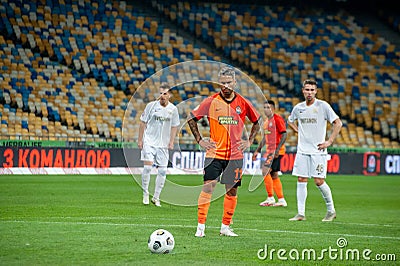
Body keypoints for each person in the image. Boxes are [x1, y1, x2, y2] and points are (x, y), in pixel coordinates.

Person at [187, 66, 261, 237]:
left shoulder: (243, 102)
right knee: (208, 186)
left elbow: (257, 121)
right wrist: (200, 140)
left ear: (235, 82)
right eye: (222, 83)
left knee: (232, 190)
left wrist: (249, 141)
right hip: (214, 153)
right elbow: (191, 118)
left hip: (235, 155)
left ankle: (225, 227)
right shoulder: (211, 101)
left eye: (229, 82)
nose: (225, 86)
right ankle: (200, 227)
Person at [287, 79, 342, 222]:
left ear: (316, 91)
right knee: (301, 179)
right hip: (302, 150)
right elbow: (290, 120)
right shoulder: (298, 108)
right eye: (307, 89)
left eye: (312, 90)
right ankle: (300, 214)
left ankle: (331, 211)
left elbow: (338, 123)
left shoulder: (323, 106)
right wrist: (298, 131)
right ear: (303, 91)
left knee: (318, 181)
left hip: (318, 151)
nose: (309, 92)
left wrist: (329, 141)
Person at [138, 82, 180, 207]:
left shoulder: (173, 109)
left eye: (165, 93)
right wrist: (140, 140)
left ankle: (156, 197)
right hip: (149, 141)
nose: (162, 96)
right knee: (147, 168)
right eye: (160, 93)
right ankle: (145, 194)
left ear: (169, 95)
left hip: (163, 144)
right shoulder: (151, 106)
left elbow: (174, 126)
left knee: (162, 171)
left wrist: (171, 141)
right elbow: (142, 123)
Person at [252, 100, 287, 207]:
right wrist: (257, 150)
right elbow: (265, 138)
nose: (266, 109)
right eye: (265, 107)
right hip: (269, 151)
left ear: (273, 109)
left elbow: (284, 134)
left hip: (276, 151)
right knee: (274, 175)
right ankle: (281, 200)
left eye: (268, 107)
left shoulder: (277, 119)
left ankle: (270, 198)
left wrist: (277, 149)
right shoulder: (267, 122)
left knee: (265, 171)